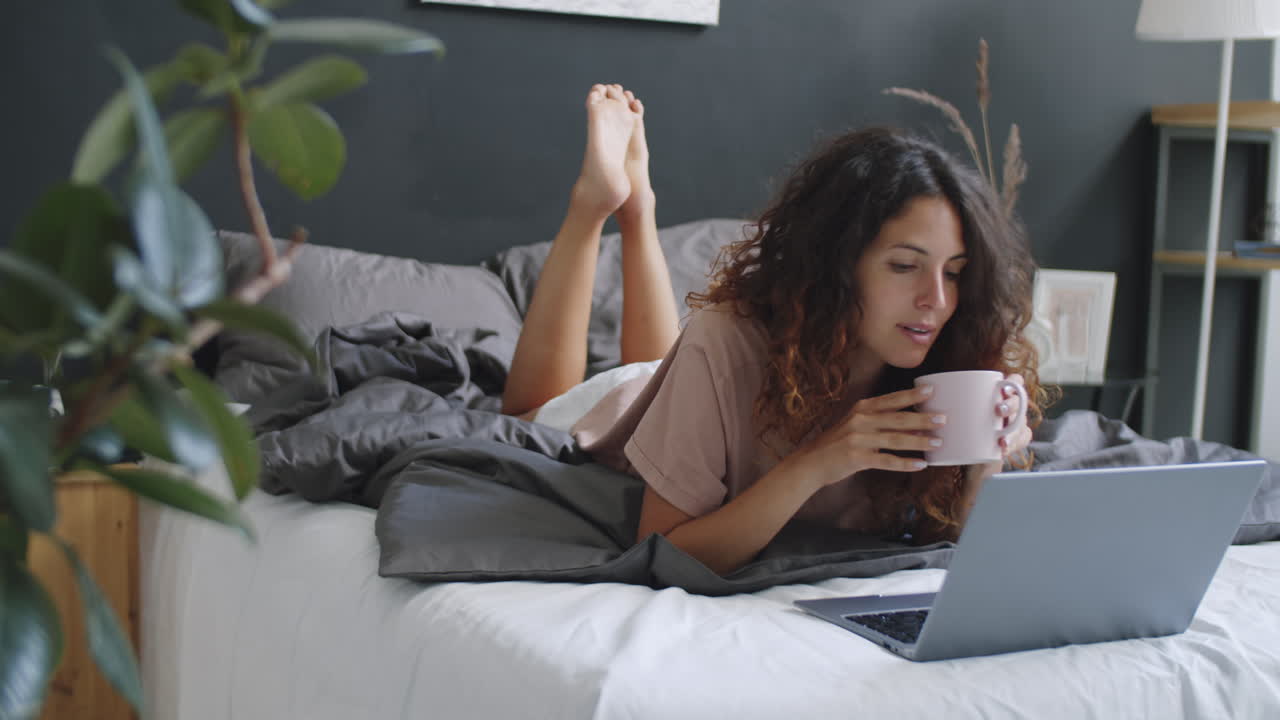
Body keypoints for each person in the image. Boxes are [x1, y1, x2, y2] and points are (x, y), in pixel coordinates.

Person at [503, 83, 1045, 575]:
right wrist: (817, 464)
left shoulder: (956, 354)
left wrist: (982, 473)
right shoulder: (726, 339)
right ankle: (602, 206)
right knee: (535, 411)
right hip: (617, 407)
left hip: (686, 388)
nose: (938, 300)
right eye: (904, 266)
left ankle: (639, 205)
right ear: (838, 262)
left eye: (955, 272)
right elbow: (663, 550)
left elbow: (949, 548)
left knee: (667, 360)